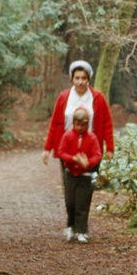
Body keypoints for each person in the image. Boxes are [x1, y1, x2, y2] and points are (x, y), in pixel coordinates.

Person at [43, 60, 115, 239]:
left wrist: (110, 147)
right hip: (67, 146)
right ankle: (70, 225)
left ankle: (81, 228)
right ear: (71, 79)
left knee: (85, 189)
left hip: (91, 147)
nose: (80, 82)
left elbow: (107, 123)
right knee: (70, 190)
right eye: (77, 78)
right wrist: (47, 148)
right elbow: (55, 123)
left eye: (84, 78)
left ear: (89, 79)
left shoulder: (97, 98)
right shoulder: (64, 97)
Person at [56, 107, 102, 243]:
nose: (80, 128)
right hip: (70, 174)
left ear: (88, 125)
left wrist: (87, 162)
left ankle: (82, 230)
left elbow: (97, 155)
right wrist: (73, 159)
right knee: (70, 202)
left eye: (83, 125)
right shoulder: (68, 136)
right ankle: (71, 226)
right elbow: (61, 152)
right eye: (78, 124)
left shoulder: (92, 138)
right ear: (73, 123)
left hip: (85, 175)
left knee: (82, 203)